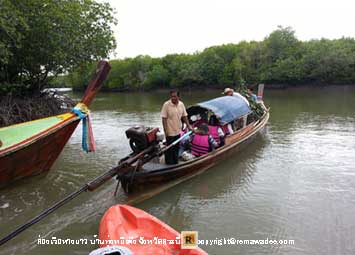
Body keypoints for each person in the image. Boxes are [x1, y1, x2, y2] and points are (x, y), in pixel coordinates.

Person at [161, 90, 192, 165]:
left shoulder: (181, 104)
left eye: (175, 96)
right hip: (170, 132)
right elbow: (164, 118)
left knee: (176, 148)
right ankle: (168, 164)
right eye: (172, 96)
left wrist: (189, 126)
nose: (173, 98)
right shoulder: (166, 105)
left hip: (178, 131)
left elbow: (184, 116)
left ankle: (175, 162)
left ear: (178, 96)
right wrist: (166, 131)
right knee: (169, 149)